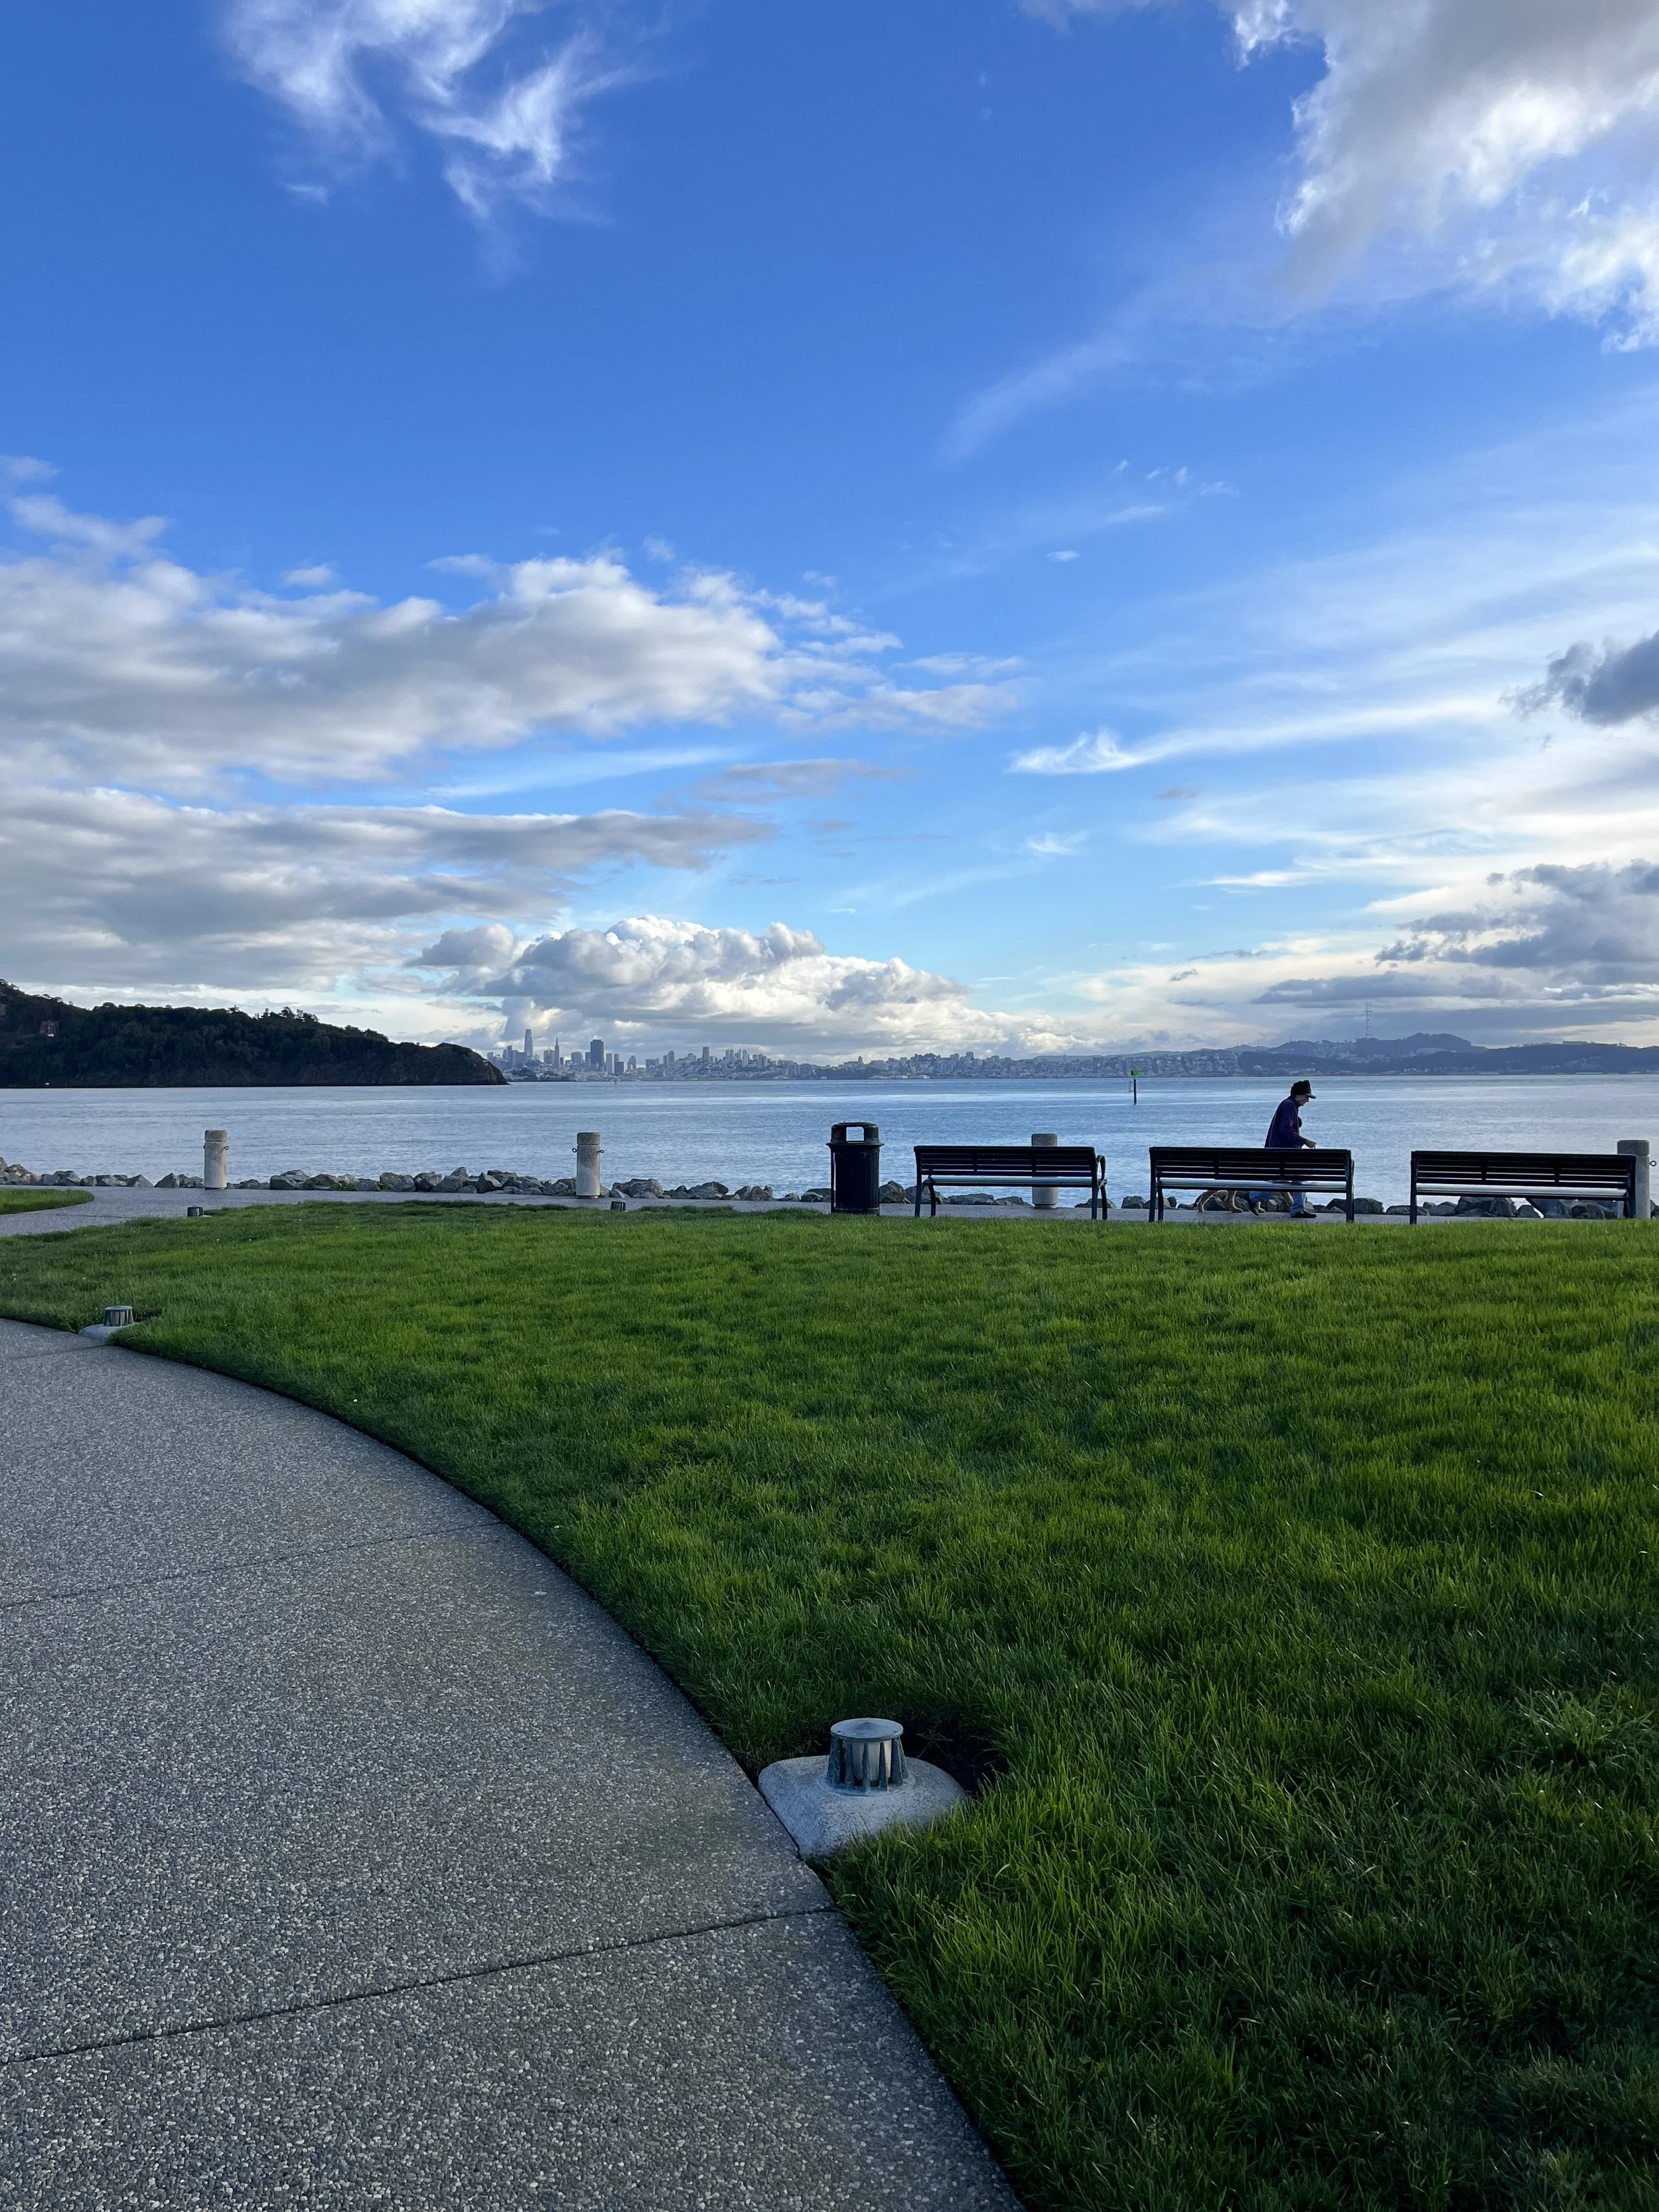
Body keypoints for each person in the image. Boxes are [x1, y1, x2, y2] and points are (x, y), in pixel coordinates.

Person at [1257, 1079, 1316, 1215]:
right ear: (1299, 1095)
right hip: (1285, 1153)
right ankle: (1297, 1210)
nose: (1308, 1101)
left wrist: (1297, 1120)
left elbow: (1285, 1125)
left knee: (1282, 1179)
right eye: (1307, 1097)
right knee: (1298, 1177)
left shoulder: (1289, 1105)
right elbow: (1285, 1129)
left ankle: (1255, 1197)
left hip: (1279, 1152)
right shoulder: (1289, 1106)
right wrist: (1304, 1141)